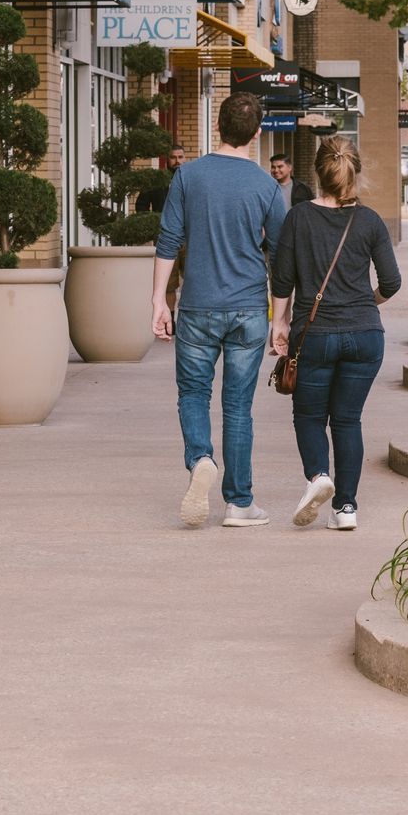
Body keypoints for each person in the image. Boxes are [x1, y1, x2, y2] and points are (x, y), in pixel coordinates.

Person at [154, 95, 286, 529]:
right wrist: (280, 317)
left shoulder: (188, 176)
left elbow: (168, 241)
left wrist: (160, 300)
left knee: (193, 394)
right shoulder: (267, 186)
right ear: (257, 132)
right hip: (249, 307)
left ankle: (200, 458)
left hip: (197, 306)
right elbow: (281, 256)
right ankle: (239, 502)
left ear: (218, 125)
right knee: (238, 407)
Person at [271, 138, 401, 531]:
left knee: (309, 414)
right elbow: (391, 283)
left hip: (316, 335)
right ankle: (346, 509)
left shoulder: (298, 217)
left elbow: (282, 279)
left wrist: (279, 323)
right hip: (365, 336)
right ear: (353, 174)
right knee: (348, 420)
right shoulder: (370, 221)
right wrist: (365, 303)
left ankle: (318, 476)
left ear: (318, 175)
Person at [135, 144, 187, 214]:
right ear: (167, 159)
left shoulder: (193, 180)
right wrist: (152, 221)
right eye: (173, 157)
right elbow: (141, 205)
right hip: (161, 223)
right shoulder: (155, 180)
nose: (177, 161)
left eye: (180, 157)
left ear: (185, 159)